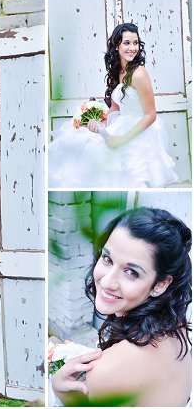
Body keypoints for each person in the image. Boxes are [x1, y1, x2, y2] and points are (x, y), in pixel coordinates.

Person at [52, 207, 192, 406]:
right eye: (107, 259)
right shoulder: (175, 325)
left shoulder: (106, 371)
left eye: (131, 272)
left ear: (160, 284)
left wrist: (63, 392)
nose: (107, 282)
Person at [48, 23, 178, 188]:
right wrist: (99, 125)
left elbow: (150, 115)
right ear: (117, 46)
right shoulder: (119, 72)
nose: (132, 48)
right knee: (79, 140)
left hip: (139, 130)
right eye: (127, 43)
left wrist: (122, 139)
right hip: (121, 123)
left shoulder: (139, 74)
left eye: (136, 43)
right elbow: (115, 109)